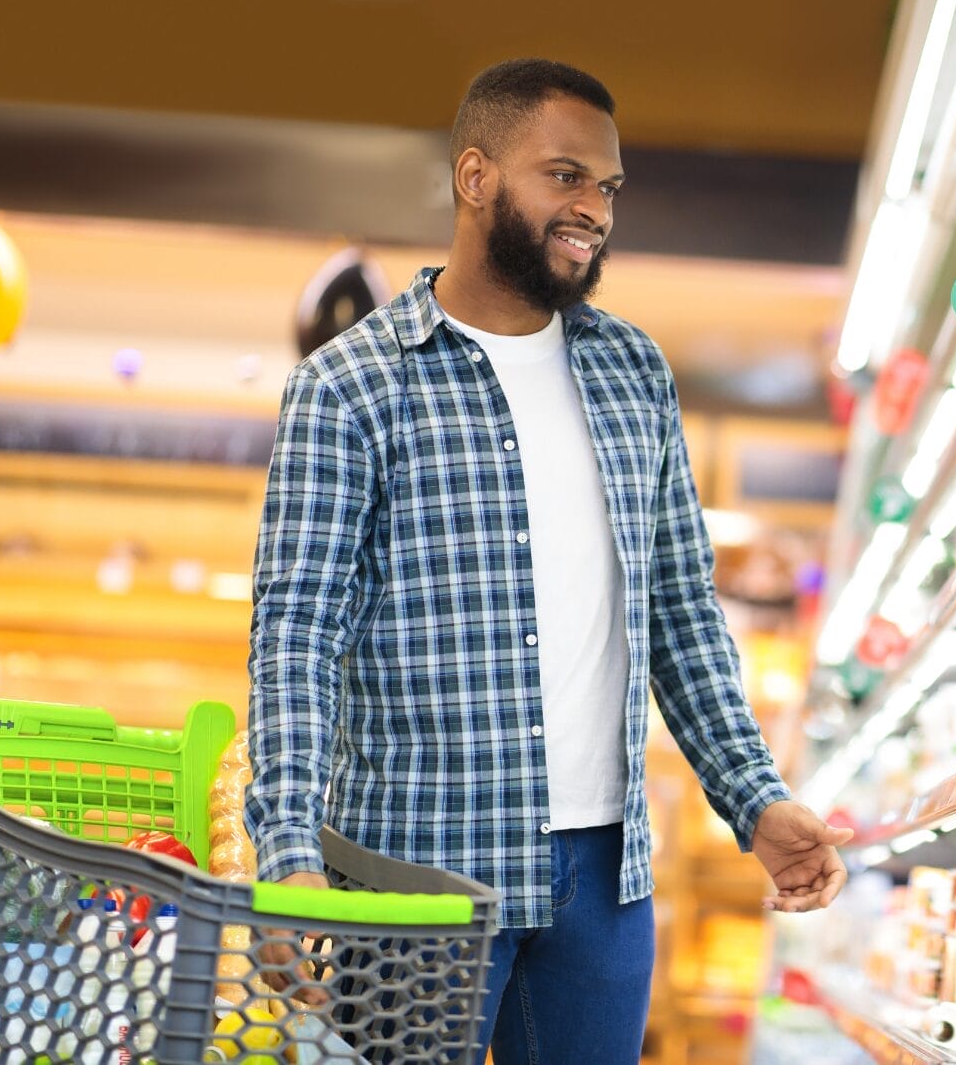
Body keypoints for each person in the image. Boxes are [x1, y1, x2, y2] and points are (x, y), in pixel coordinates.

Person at [245, 58, 851, 1063]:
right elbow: (295, 639)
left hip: (604, 882)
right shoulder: (349, 389)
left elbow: (677, 613)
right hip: (413, 876)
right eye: (564, 175)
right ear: (475, 175)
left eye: (607, 187)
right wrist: (289, 853)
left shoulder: (631, 371)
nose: (593, 210)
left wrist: (754, 796)